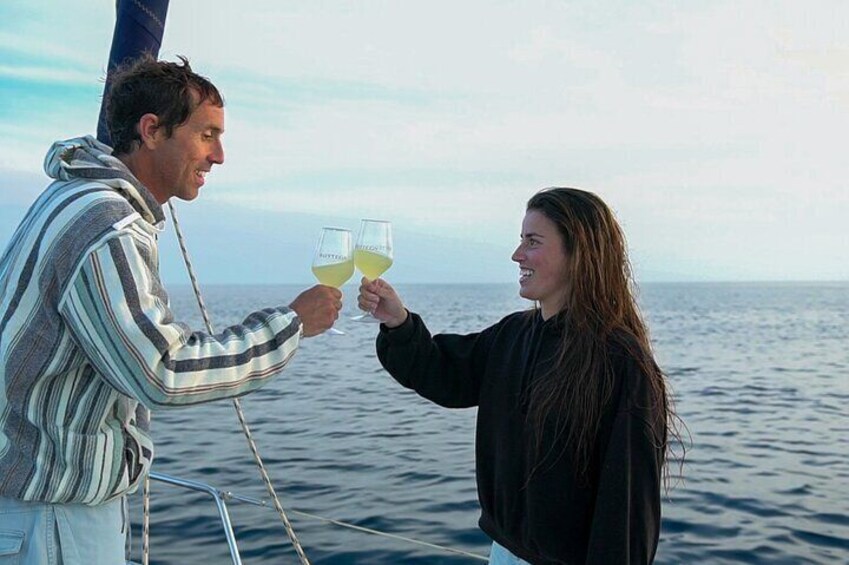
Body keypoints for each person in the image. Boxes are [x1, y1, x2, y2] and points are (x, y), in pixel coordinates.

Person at [0, 56, 341, 564]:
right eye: (207, 134)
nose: (219, 155)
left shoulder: (70, 197)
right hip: (53, 517)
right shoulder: (105, 223)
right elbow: (162, 371)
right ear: (152, 130)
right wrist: (289, 325)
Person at [358, 187, 677, 564]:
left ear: (579, 254)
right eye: (520, 239)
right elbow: (444, 373)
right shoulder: (513, 335)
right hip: (505, 552)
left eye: (533, 241)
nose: (517, 254)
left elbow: (626, 508)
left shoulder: (620, 362)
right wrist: (398, 323)